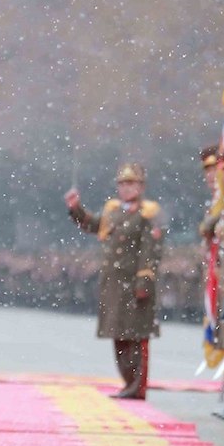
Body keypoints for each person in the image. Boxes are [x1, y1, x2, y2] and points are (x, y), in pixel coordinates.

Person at [64, 162, 164, 399]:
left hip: (136, 284)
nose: (126, 189)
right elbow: (92, 224)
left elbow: (150, 251)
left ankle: (137, 385)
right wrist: (76, 208)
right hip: (115, 285)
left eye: (131, 184)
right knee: (119, 335)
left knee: (136, 337)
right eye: (122, 184)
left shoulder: (148, 214)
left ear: (141, 186)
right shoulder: (113, 211)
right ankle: (127, 381)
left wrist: (144, 280)